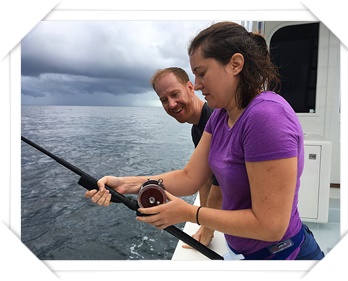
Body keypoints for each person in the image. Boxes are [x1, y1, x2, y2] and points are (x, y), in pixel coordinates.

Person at [86, 21, 324, 260]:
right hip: (243, 251)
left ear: (235, 64)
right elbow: (190, 177)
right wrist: (127, 184)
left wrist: (191, 213)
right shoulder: (220, 116)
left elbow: (272, 226)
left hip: (284, 255)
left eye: (201, 73)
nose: (197, 85)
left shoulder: (266, 116)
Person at [150, 67, 222, 247]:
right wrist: (203, 222)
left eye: (175, 94)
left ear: (190, 88)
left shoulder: (214, 118)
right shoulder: (196, 129)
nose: (172, 104)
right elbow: (205, 179)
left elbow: (220, 185)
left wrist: (207, 230)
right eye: (164, 100)